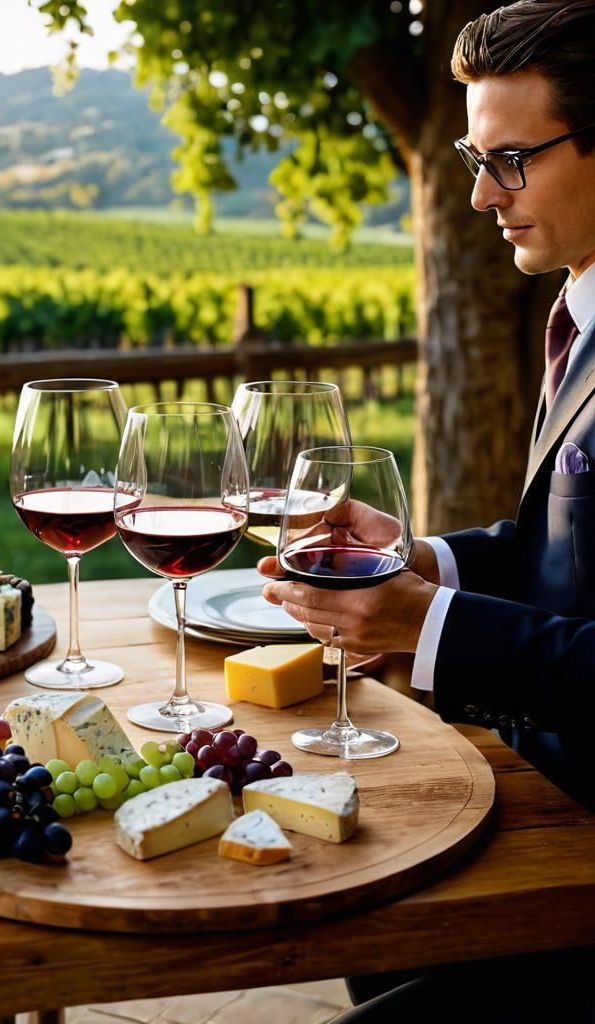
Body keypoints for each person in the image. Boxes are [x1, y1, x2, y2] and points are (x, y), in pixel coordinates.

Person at [259, 4, 595, 1018]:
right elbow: (564, 554)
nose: (481, 194)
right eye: (471, 155)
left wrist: (424, 625)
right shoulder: (580, 309)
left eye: (512, 160)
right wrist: (417, 559)